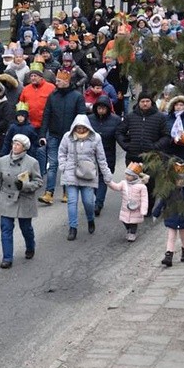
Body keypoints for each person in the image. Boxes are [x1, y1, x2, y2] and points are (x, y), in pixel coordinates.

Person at [0, 135, 43, 269]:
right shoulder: (2, 161)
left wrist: (25, 186)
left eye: (18, 144)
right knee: (6, 228)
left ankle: (30, 246)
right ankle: (7, 258)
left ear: (24, 147)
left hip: (24, 199)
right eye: (14, 143)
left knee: (26, 228)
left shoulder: (32, 162)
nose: (14, 146)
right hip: (6, 199)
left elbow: (38, 182)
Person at [57, 115, 113, 241]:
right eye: (78, 128)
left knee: (88, 202)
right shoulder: (68, 137)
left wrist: (106, 174)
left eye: (83, 127)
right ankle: (73, 227)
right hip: (71, 172)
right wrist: (63, 166)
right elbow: (62, 152)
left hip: (88, 174)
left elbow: (101, 158)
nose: (81, 130)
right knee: (72, 201)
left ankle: (90, 219)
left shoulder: (95, 138)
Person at [38, 70, 87, 205]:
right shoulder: (52, 96)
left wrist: (80, 134)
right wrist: (43, 134)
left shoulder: (77, 97)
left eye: (59, 81)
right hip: (54, 134)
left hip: (70, 136)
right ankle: (49, 193)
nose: (56, 83)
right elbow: (46, 116)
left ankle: (67, 191)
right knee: (52, 164)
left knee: (67, 165)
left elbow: (81, 117)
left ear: (66, 81)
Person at [116, 92, 170, 215]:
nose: (145, 104)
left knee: (149, 184)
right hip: (133, 157)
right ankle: (134, 207)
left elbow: (166, 136)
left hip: (151, 158)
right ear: (138, 103)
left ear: (151, 103)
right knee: (133, 184)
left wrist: (155, 147)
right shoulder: (131, 117)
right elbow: (119, 132)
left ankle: (148, 209)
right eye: (142, 101)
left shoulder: (159, 117)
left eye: (147, 101)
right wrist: (126, 146)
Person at [152, 164, 184, 267]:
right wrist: (156, 213)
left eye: (182, 179)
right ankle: (169, 255)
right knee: (171, 236)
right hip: (171, 216)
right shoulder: (169, 190)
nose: (180, 181)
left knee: (183, 236)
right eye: (177, 179)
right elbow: (162, 202)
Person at [89, 95, 121, 216]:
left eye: (103, 108)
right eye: (99, 108)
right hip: (91, 153)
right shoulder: (90, 119)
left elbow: (119, 136)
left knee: (104, 177)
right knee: (92, 176)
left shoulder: (115, 120)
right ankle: (98, 198)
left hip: (108, 151)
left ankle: (98, 203)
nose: (101, 110)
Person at [106, 162, 149, 242]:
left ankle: (132, 233)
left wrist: (143, 209)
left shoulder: (141, 186)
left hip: (136, 208)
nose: (127, 176)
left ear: (135, 176)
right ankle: (128, 229)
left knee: (133, 222)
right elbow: (116, 187)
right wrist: (109, 183)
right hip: (125, 208)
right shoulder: (124, 183)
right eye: (126, 174)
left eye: (129, 175)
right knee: (124, 220)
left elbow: (144, 199)